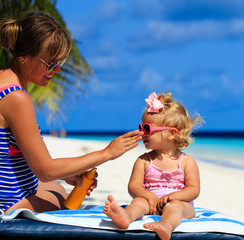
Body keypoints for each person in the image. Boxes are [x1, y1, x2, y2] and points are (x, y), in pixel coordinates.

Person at [0, 12, 142, 215]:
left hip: (9, 188)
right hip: (8, 201)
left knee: (57, 187)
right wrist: (107, 153)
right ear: (24, 58)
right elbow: (46, 170)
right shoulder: (15, 97)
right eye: (51, 64)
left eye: (61, 62)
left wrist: (68, 173)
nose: (57, 71)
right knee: (64, 201)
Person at [103, 92, 202, 240]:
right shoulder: (144, 161)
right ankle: (126, 217)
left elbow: (193, 190)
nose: (142, 133)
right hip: (150, 203)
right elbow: (134, 187)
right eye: (141, 127)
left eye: (147, 129)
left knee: (175, 208)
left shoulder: (187, 162)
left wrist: (173, 197)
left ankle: (166, 226)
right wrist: (149, 196)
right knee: (138, 202)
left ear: (171, 134)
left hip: (179, 203)